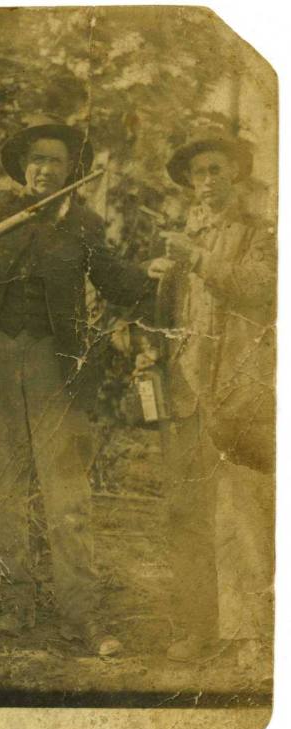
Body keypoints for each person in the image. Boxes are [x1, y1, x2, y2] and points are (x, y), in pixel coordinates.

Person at [0, 115, 150, 656]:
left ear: (72, 170)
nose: (44, 168)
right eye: (36, 159)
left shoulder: (84, 224)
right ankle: (14, 599)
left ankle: (81, 611)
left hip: (53, 366)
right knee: (1, 487)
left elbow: (118, 283)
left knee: (67, 493)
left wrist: (156, 279)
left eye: (55, 161)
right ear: (25, 166)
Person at [147, 125, 275, 663]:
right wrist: (160, 277)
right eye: (197, 173)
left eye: (216, 169)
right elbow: (172, 318)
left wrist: (196, 258)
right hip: (186, 390)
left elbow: (263, 290)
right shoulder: (186, 233)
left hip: (237, 392)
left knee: (241, 510)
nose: (206, 180)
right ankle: (199, 628)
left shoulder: (260, 232)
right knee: (187, 509)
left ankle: (251, 636)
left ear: (235, 174)